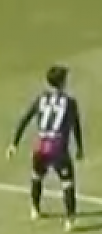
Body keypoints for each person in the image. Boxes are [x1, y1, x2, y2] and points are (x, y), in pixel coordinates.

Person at [6, 65, 85, 232]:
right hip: (58, 147)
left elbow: (25, 119)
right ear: (62, 82)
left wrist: (14, 144)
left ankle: (35, 209)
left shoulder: (41, 99)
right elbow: (75, 125)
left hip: (41, 144)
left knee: (37, 177)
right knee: (67, 184)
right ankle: (70, 220)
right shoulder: (70, 103)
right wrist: (79, 147)